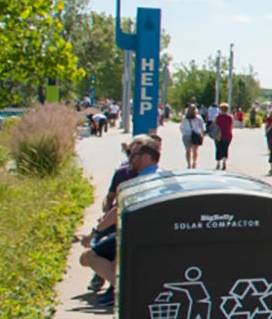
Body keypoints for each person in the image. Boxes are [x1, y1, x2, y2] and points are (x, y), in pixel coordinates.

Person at [77, 137, 163, 306]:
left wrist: (94, 233)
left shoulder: (141, 181)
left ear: (146, 158)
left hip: (135, 235)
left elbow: (119, 210)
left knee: (92, 256)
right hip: (151, 234)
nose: (130, 159)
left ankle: (128, 291)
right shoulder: (162, 176)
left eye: (134, 155)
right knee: (93, 258)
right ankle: (120, 289)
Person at [180, 104, 207, 168]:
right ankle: (194, 162)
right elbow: (202, 128)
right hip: (196, 135)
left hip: (186, 135)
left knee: (187, 150)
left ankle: (188, 164)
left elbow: (181, 127)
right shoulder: (198, 118)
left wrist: (184, 132)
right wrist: (202, 135)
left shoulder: (184, 118)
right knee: (195, 151)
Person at [212, 104, 235, 170]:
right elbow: (231, 126)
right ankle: (224, 162)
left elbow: (214, 125)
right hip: (227, 135)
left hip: (218, 135)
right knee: (225, 148)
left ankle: (218, 163)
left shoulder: (217, 117)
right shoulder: (230, 117)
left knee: (218, 148)